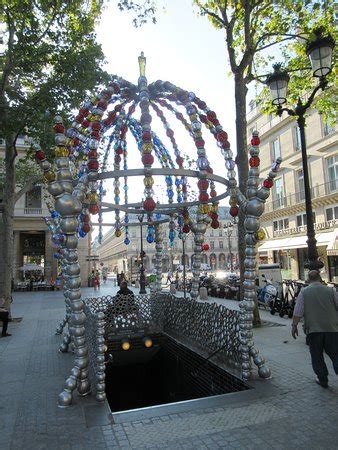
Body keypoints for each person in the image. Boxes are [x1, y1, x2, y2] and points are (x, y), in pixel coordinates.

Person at [292, 270, 338, 388]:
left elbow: (298, 312)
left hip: (313, 330)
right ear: (320, 278)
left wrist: (294, 326)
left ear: (308, 279)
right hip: (332, 329)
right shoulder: (331, 290)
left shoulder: (304, 292)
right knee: (335, 354)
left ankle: (323, 379)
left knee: (317, 355)